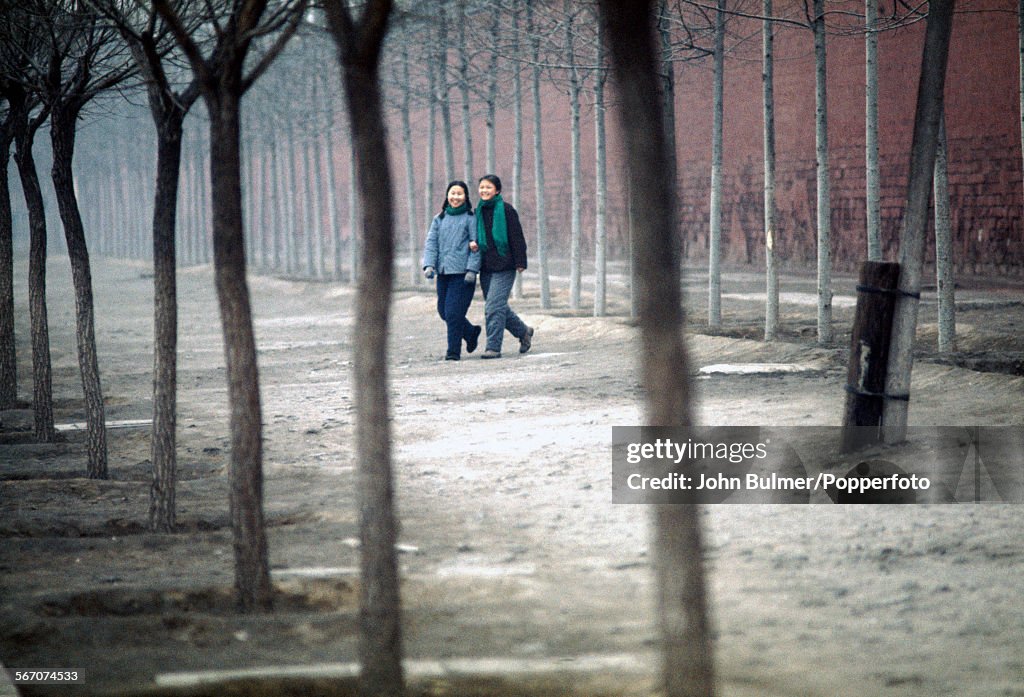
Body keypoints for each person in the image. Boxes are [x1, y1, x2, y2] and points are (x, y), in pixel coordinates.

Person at [471, 174, 533, 359]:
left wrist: (521, 261)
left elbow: (517, 236)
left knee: (492, 307)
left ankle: (493, 347)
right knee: (498, 307)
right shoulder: (477, 212)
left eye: (488, 187)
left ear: (497, 190)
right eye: (482, 187)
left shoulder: (506, 210)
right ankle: (524, 331)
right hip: (486, 267)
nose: (484, 190)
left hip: (505, 265)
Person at [422, 181, 483, 361]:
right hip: (443, 272)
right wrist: (429, 265)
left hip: (463, 274)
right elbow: (431, 243)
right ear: (447, 195)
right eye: (452, 193)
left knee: (453, 313)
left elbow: (476, 245)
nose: (455, 197)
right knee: (443, 311)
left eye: (459, 194)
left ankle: (453, 352)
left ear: (465, 197)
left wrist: (472, 269)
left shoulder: (471, 218)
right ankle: (471, 332)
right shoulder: (439, 219)